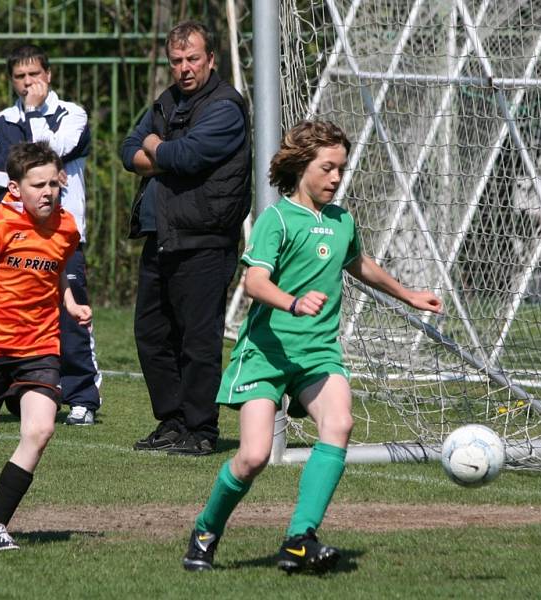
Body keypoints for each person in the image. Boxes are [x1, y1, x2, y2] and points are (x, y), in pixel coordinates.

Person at [181, 121, 443, 572]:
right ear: (302, 166)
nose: (336, 178)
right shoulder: (277, 219)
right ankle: (206, 529)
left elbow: (358, 262)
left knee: (339, 423)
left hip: (319, 351)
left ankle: (300, 538)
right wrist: (294, 302)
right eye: (327, 168)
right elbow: (255, 282)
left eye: (341, 168)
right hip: (266, 352)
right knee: (253, 457)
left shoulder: (342, 220)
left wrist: (408, 294)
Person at [0, 141, 90, 550]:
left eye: (54, 184)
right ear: (14, 188)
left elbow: (55, 273)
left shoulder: (66, 227)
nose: (48, 192)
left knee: (40, 430)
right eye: (37, 185)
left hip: (42, 344)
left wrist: (71, 303)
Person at [120, 21, 251, 456]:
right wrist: (164, 152)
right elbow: (128, 150)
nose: (184, 68)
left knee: (198, 339)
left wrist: (157, 148)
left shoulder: (225, 107)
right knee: (152, 335)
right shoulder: (166, 102)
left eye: (192, 59)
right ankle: (172, 422)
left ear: (210, 60)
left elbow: (189, 155)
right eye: (176, 61)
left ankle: (202, 429)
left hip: (205, 239)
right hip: (162, 235)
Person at [0, 42, 100, 426]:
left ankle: (83, 396)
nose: (27, 83)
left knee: (71, 318)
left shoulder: (71, 114)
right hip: (9, 240)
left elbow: (54, 148)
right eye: (19, 77)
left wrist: (35, 119)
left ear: (48, 75)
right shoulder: (0, 122)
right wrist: (19, 180)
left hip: (60, 237)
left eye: (34, 75)